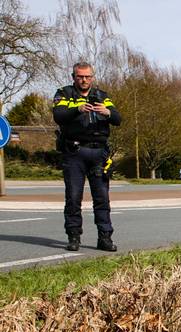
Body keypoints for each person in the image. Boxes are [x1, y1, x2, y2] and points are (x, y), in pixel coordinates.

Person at [52, 61, 121, 252]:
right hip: (74, 153)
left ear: (92, 77)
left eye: (87, 76)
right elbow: (58, 115)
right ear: (73, 77)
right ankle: (74, 237)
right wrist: (78, 109)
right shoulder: (64, 93)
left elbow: (118, 119)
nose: (84, 80)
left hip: (99, 153)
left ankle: (104, 238)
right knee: (73, 198)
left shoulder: (101, 96)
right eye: (80, 76)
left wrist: (107, 112)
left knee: (102, 199)